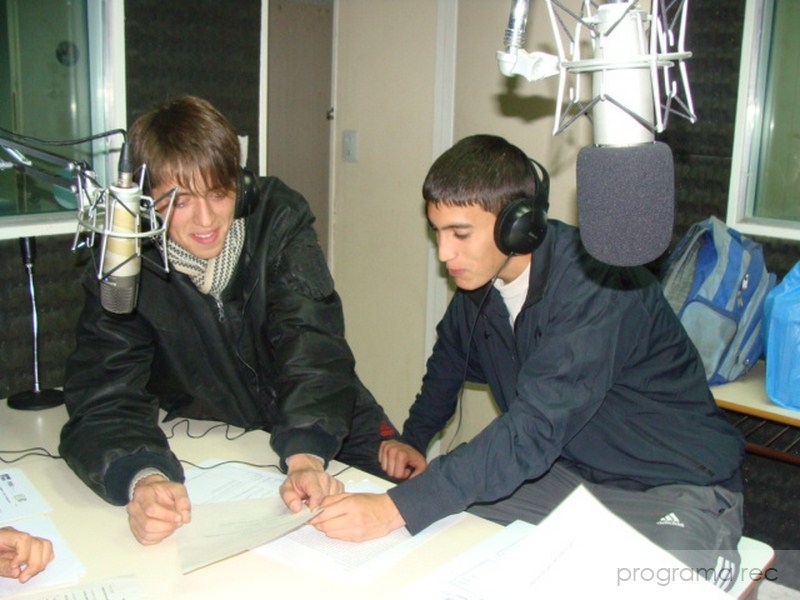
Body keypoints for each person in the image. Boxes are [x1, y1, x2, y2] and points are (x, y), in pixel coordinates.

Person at [310, 134, 746, 591]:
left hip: (673, 484)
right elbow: (448, 364)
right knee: (441, 522)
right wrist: (414, 439)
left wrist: (394, 507)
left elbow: (533, 430)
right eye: (437, 231)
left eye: (460, 234)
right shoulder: (478, 285)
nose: (444, 253)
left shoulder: (598, 286)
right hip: (572, 472)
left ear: (517, 226)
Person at [59, 95, 397, 545]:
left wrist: (305, 454)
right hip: (227, 445)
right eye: (180, 202)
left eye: (219, 194)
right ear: (144, 203)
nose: (206, 219)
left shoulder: (278, 219)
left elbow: (312, 344)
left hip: (326, 423)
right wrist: (143, 476)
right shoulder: (125, 257)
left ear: (241, 187)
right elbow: (105, 391)